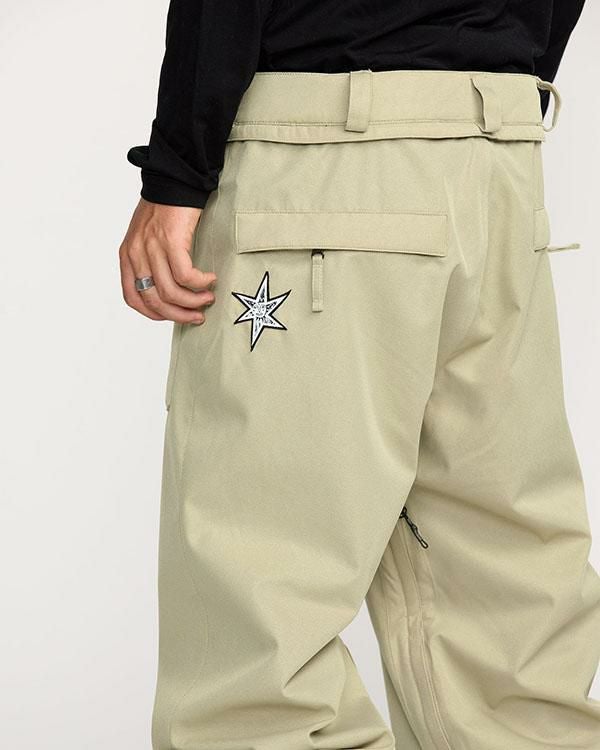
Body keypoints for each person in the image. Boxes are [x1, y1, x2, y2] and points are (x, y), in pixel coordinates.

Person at [120, 2, 600, 749]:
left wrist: (178, 168)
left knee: (262, 638)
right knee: (508, 627)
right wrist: (484, 99)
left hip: (323, 158)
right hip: (497, 158)